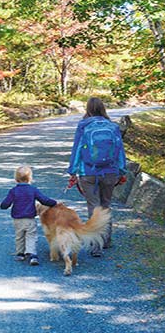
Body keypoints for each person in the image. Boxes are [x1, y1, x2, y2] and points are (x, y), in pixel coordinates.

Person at [67, 97, 127, 257]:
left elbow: (77, 149)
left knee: (93, 207)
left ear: (88, 109)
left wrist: (73, 171)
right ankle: (106, 240)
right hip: (110, 172)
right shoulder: (113, 126)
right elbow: (120, 150)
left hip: (88, 173)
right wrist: (122, 171)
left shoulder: (83, 126)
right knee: (106, 205)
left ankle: (95, 246)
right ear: (103, 108)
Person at [0, 165, 57, 266]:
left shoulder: (13, 191)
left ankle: (20, 254)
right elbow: (44, 200)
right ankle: (32, 255)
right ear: (30, 178)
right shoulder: (33, 190)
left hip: (17, 220)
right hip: (30, 219)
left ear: (16, 179)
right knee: (31, 236)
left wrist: (3, 206)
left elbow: (6, 204)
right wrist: (54, 203)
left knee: (19, 236)